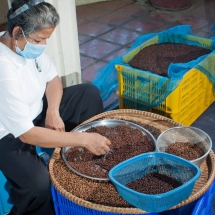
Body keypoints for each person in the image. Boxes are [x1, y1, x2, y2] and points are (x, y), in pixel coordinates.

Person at [0, 0, 111, 214]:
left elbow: (52, 80)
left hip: (35, 114)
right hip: (9, 134)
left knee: (88, 94)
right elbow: (27, 134)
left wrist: (52, 110)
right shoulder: (3, 69)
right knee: (39, 185)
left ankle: (82, 159)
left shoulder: (25, 46)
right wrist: (83, 139)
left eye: (46, 39)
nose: (42, 46)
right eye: (39, 40)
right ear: (16, 32)